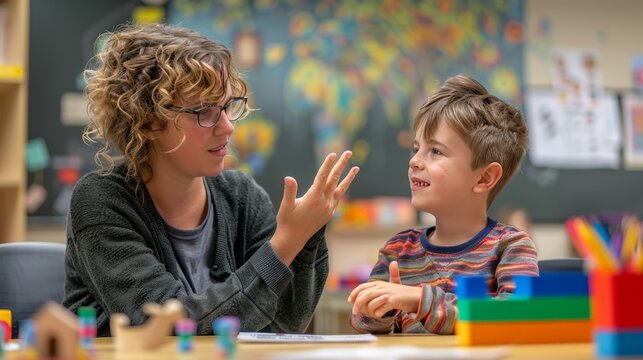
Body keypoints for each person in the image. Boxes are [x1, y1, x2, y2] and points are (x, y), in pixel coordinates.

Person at [63, 23, 359, 336]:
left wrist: (305, 236)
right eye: (205, 111)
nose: (228, 126)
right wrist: (284, 245)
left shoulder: (241, 195)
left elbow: (285, 324)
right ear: (147, 121)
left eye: (228, 106)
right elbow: (166, 328)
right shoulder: (101, 201)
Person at [348, 75, 538, 334]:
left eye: (435, 151)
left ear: (484, 178)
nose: (414, 161)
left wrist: (418, 299)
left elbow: (516, 320)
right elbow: (362, 322)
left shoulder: (511, 246)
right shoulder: (397, 250)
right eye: (416, 148)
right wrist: (380, 311)